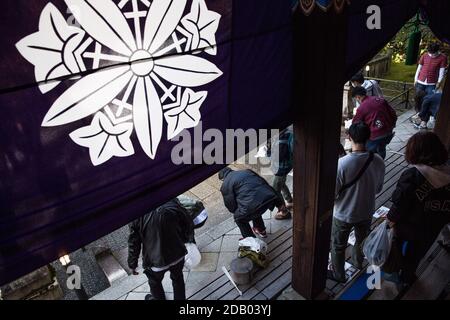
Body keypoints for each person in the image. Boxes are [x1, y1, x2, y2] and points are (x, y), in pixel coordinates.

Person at [386, 132, 450, 287]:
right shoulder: (447, 172)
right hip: (433, 226)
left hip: (407, 225)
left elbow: (400, 204)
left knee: (395, 247)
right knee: (415, 255)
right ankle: (407, 277)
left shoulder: (413, 175)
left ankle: (394, 271)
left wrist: (390, 220)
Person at [329, 122, 385, 283]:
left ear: (349, 137)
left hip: (343, 214)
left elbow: (333, 194)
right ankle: (357, 263)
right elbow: (378, 189)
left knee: (338, 246)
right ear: (369, 137)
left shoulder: (342, 164)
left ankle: (339, 275)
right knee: (362, 240)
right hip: (366, 211)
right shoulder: (378, 160)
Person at [128, 198, 194, 300]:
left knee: (155, 283)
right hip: (178, 254)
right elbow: (188, 222)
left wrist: (132, 264)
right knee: (178, 278)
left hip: (155, 261)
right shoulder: (171, 201)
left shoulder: (137, 214)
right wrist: (184, 240)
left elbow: (134, 242)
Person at [219, 167, 287, 238]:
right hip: (269, 198)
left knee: (239, 218)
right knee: (252, 206)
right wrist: (278, 203)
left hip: (252, 206)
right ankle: (261, 230)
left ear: (222, 179)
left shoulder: (225, 185)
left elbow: (231, 206)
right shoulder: (246, 171)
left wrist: (240, 207)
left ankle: (251, 240)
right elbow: (264, 183)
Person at [352, 86, 397, 159]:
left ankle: (372, 167)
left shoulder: (362, 108)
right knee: (382, 149)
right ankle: (381, 164)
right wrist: (392, 125)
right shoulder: (380, 100)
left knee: (368, 154)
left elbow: (355, 124)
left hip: (375, 135)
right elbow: (393, 113)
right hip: (388, 131)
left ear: (358, 97)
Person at [268, 127, 294, 220]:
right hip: (283, 167)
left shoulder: (281, 136)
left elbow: (275, 155)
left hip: (281, 168)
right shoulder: (288, 134)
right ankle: (290, 201)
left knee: (275, 190)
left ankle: (284, 211)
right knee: (281, 183)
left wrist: (268, 154)